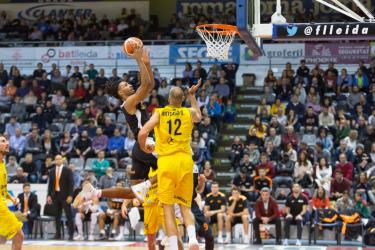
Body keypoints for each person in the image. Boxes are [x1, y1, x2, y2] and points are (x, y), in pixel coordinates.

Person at [138, 83, 202, 249]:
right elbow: (199, 117)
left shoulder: (159, 113)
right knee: (185, 207)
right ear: (182, 99)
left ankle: (173, 245)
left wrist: (144, 146)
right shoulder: (188, 112)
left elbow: (143, 132)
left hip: (167, 162)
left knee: (168, 208)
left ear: (168, 99)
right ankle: (193, 239)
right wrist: (192, 96)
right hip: (185, 161)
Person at [0, 135, 24, 250]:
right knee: (19, 235)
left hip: (2, 203)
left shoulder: (2, 163)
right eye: (3, 141)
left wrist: (10, 198)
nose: (7, 143)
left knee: (2, 238)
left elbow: (2, 189)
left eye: (7, 140)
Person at [47, 154, 74, 240]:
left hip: (65, 196)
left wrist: (70, 195)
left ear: (62, 160)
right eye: (56, 159)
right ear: (55, 161)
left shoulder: (68, 170)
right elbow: (50, 185)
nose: (58, 161)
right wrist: (49, 195)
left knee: (68, 215)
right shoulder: (51, 171)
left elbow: (71, 184)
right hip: (55, 195)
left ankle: (71, 234)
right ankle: (58, 234)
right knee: (57, 216)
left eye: (59, 159)